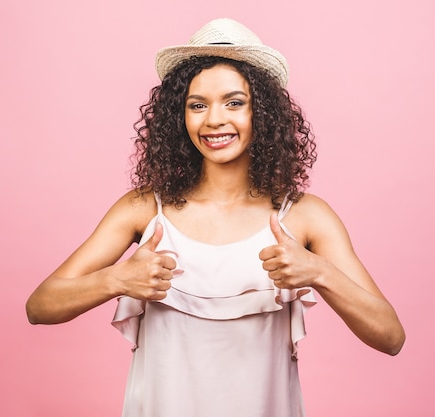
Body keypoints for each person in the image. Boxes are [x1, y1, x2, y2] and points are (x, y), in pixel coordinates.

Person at [26, 17, 405, 417]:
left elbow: (390, 336)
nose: (214, 120)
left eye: (235, 102)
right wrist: (115, 279)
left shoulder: (306, 217)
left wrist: (319, 273)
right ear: (179, 117)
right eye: (197, 105)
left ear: (264, 113)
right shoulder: (143, 210)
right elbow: (40, 307)